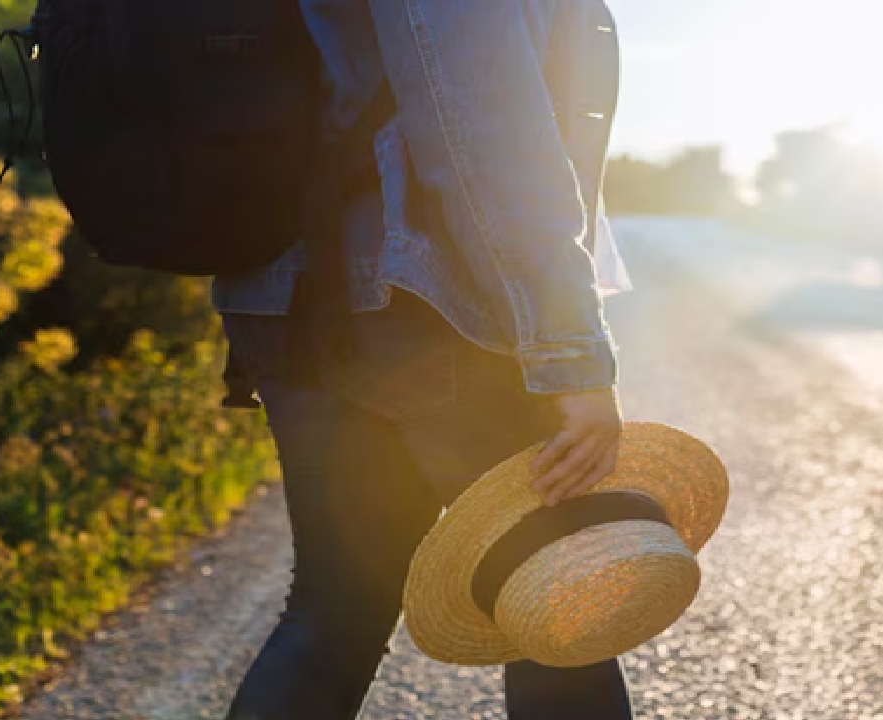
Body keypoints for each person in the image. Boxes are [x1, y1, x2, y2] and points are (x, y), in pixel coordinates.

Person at [210, 1, 634, 719]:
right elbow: (486, 133)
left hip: (283, 293)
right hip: (423, 305)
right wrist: (572, 358)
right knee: (560, 598)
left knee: (336, 610)